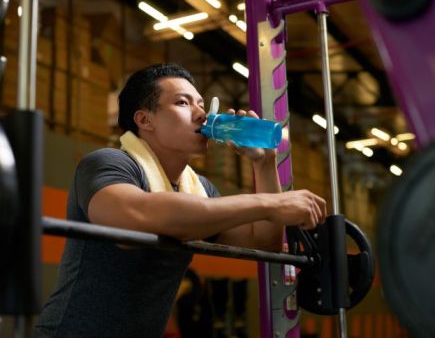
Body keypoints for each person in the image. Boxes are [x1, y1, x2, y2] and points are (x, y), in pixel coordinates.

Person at [34, 64, 326, 338]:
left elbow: (263, 243)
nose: (201, 115)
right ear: (144, 119)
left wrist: (264, 166)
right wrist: (270, 204)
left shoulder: (198, 190)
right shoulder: (108, 164)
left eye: (201, 104)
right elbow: (138, 220)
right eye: (183, 103)